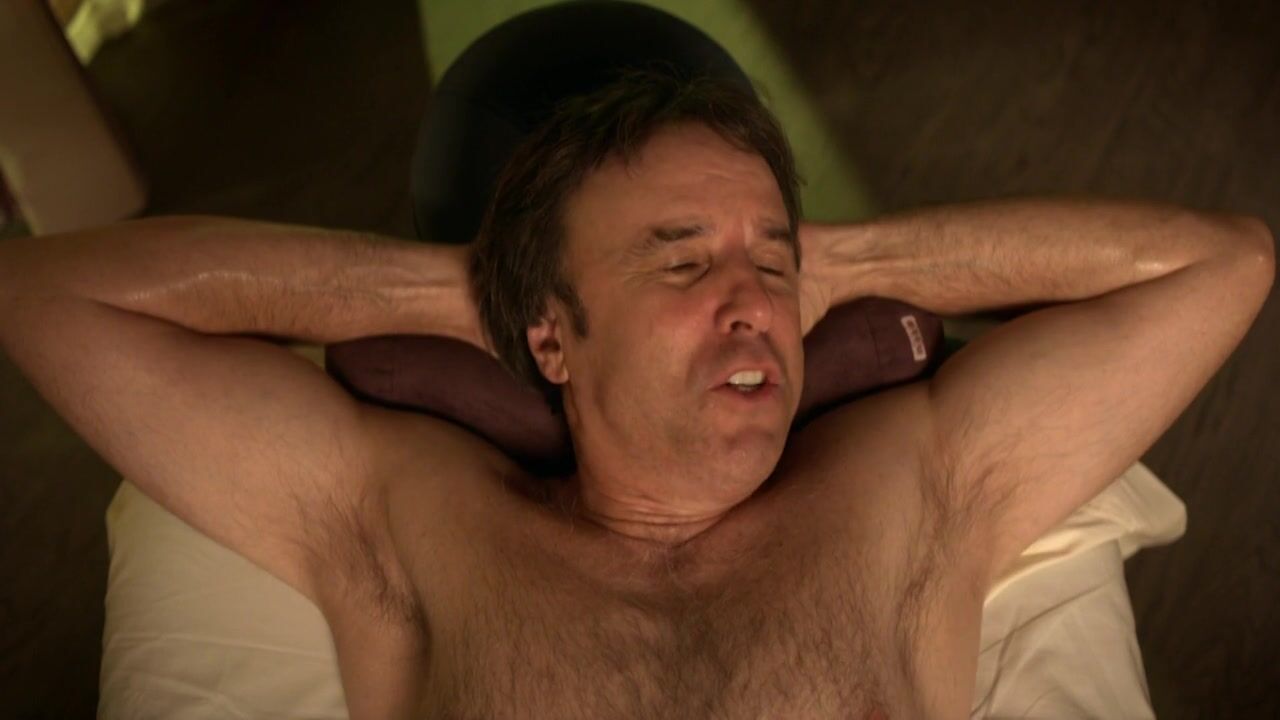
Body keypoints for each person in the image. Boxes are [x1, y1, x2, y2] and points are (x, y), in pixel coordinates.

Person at [0, 2, 1273, 718]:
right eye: (678, 263)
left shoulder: (909, 487)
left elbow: (1222, 264)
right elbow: (44, 294)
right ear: (550, 334)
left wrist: (832, 263)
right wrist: (469, 291)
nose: (751, 303)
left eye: (768, 259)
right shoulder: (416, 519)